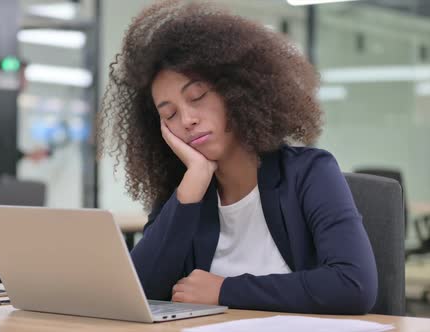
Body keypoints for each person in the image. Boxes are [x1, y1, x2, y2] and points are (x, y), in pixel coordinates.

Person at [98, 0, 377, 315]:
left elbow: (354, 285)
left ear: (235, 90)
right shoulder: (185, 194)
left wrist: (224, 290)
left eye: (197, 97)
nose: (187, 119)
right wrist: (194, 183)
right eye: (170, 114)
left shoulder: (310, 172)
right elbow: (138, 292)